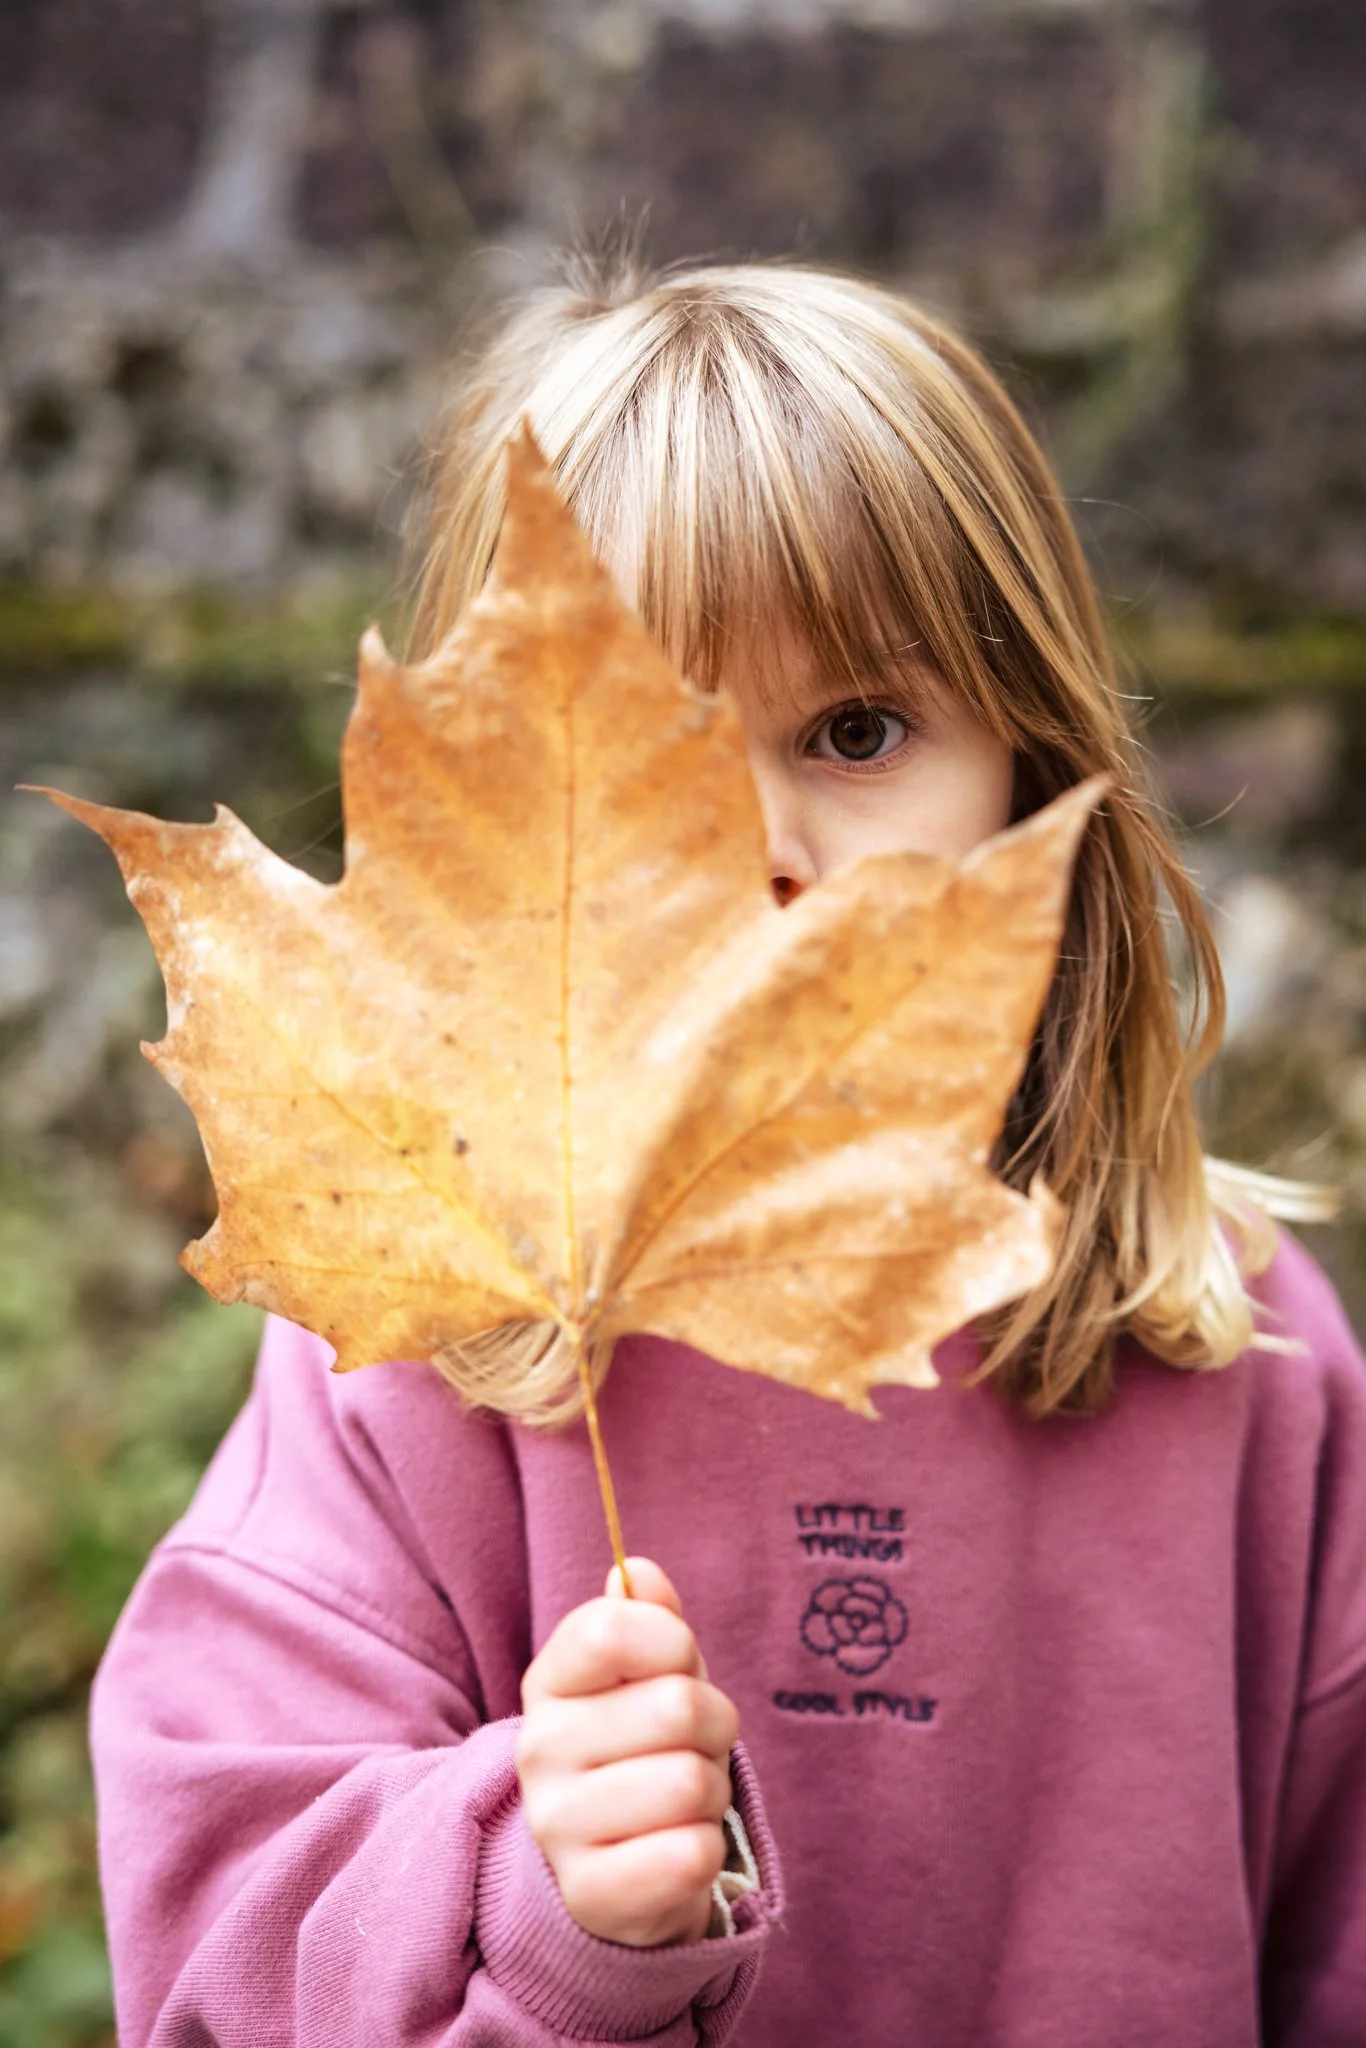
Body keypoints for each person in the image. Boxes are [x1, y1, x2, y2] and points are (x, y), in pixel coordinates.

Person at [91, 256, 1366, 2047]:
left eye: (856, 731)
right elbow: (217, 1946)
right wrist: (536, 1905)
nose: (761, 848)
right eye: (650, 758)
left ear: (1034, 775)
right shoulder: (414, 1365)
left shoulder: (1239, 1346)